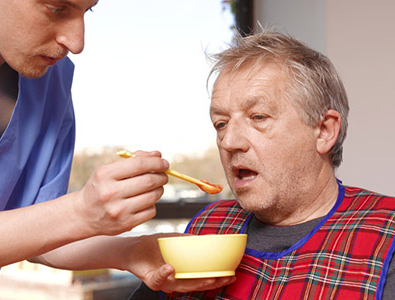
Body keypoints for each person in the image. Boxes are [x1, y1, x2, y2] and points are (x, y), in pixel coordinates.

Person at [130, 29, 395, 299]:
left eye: (258, 117)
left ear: (324, 131)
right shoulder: (204, 230)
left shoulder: (387, 232)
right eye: (221, 124)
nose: (229, 141)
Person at [0, 0, 234, 294]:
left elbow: (36, 234)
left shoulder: (50, 80)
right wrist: (79, 211)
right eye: (57, 8)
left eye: (88, 10)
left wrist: (132, 251)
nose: (77, 42)